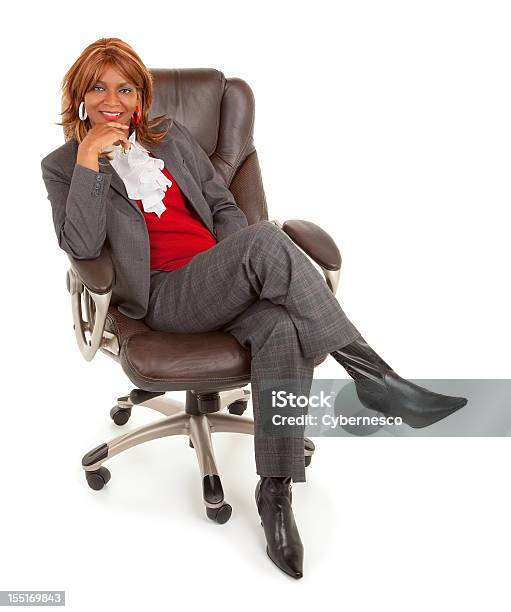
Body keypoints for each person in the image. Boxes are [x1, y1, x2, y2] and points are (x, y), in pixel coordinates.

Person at [41, 38, 468, 580]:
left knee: (282, 326)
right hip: (165, 297)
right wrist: (89, 161)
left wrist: (233, 268)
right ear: (79, 94)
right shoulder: (62, 166)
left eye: (125, 88)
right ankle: (377, 379)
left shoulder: (168, 138)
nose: (112, 99)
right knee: (266, 241)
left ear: (140, 96)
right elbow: (80, 245)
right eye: (98, 87)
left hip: (222, 276)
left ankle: (276, 495)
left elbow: (222, 204)